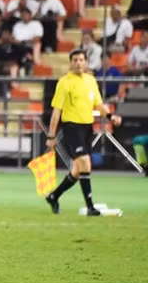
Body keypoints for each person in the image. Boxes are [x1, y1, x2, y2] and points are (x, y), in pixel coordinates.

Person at [45, 49, 122, 216]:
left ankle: (53, 196)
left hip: (88, 127)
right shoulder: (64, 82)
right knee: (86, 164)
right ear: (70, 63)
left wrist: (110, 116)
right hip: (72, 127)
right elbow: (56, 111)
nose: (79, 63)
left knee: (78, 171)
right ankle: (90, 207)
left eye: (81, 60)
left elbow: (99, 105)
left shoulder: (91, 80)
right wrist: (51, 136)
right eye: (75, 60)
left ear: (86, 62)